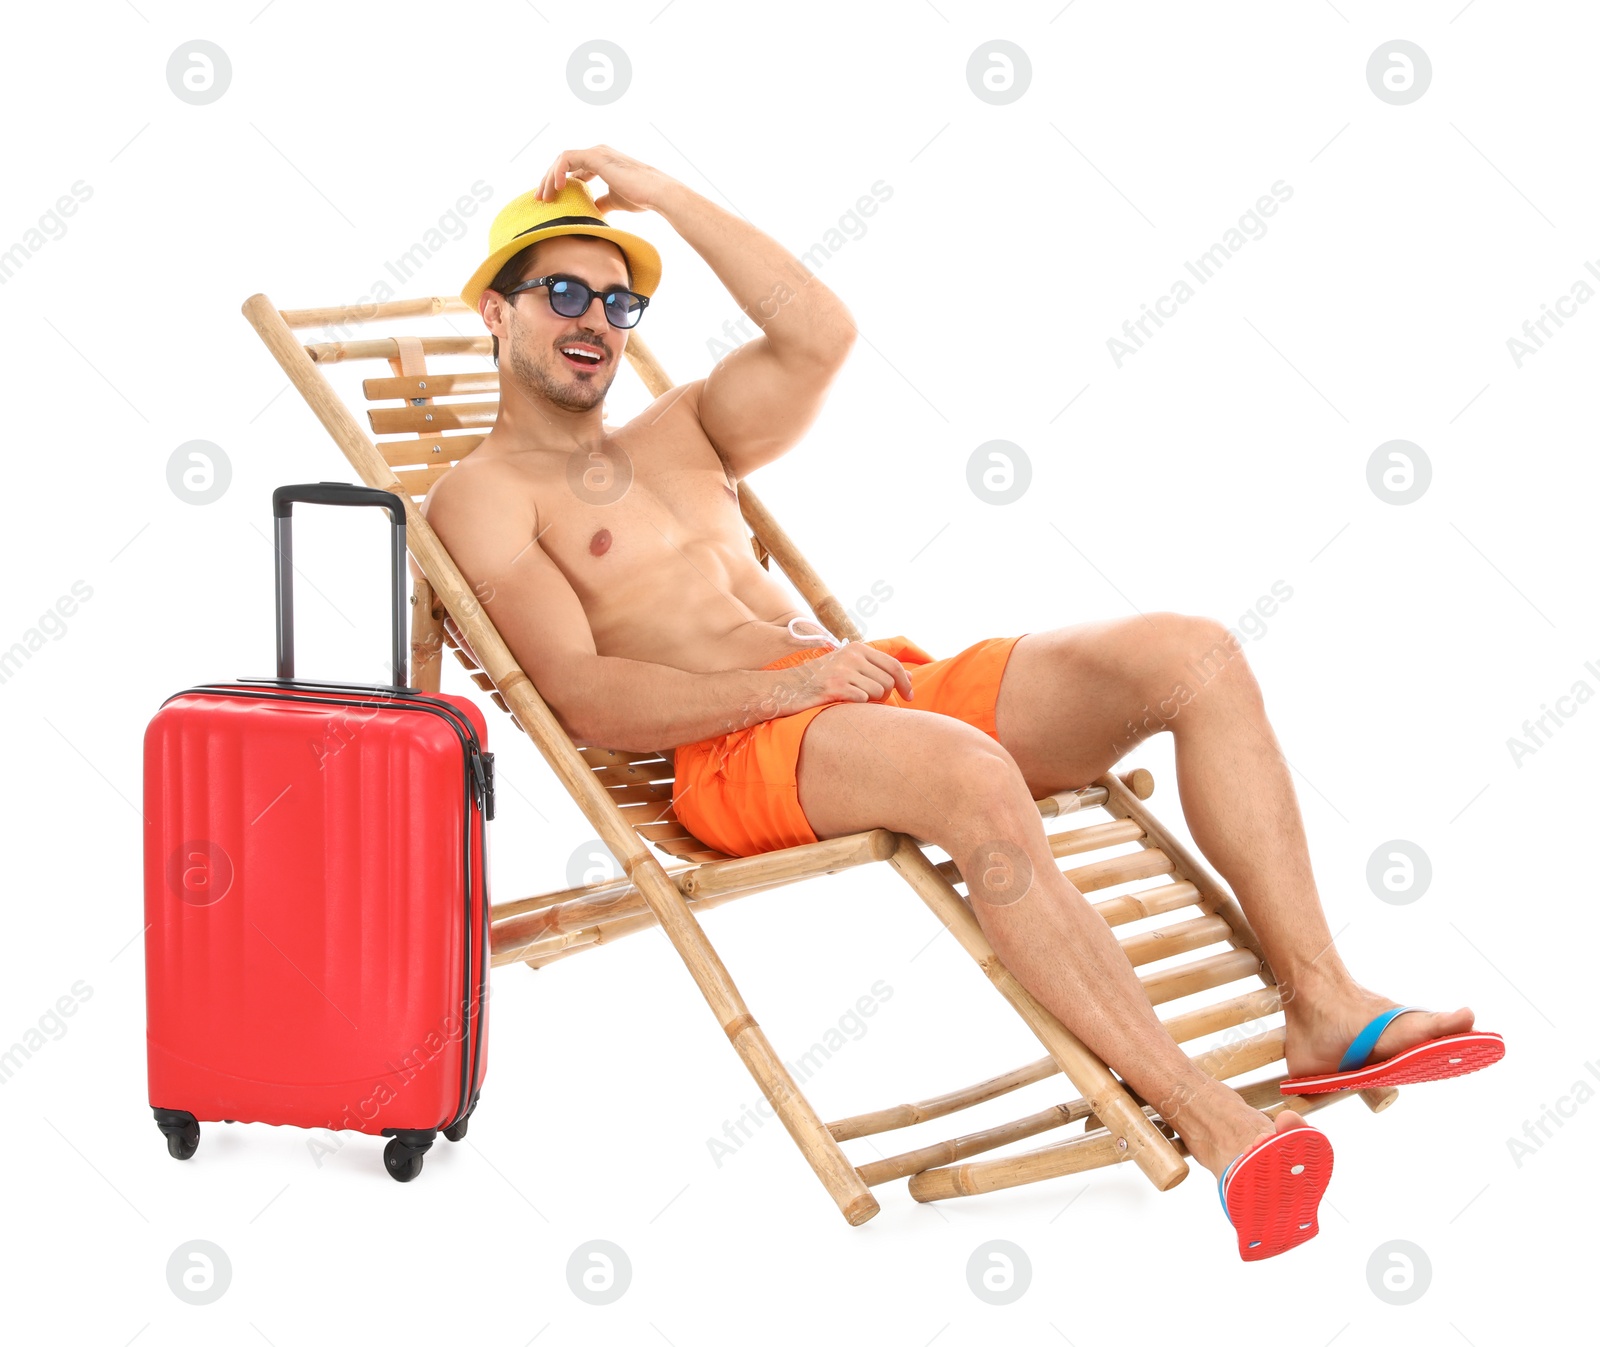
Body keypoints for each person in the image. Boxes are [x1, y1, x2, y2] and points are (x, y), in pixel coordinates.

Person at [433, 144, 1502, 1258]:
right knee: (968, 773)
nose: (595, 317)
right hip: (733, 753)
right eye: (561, 291)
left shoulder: (685, 429)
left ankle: (1323, 1005)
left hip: (872, 689)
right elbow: (582, 697)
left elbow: (820, 335)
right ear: (495, 316)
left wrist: (661, 193)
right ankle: (1218, 1124)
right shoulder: (482, 495)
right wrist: (786, 684)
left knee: (1194, 656)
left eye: (618, 298)